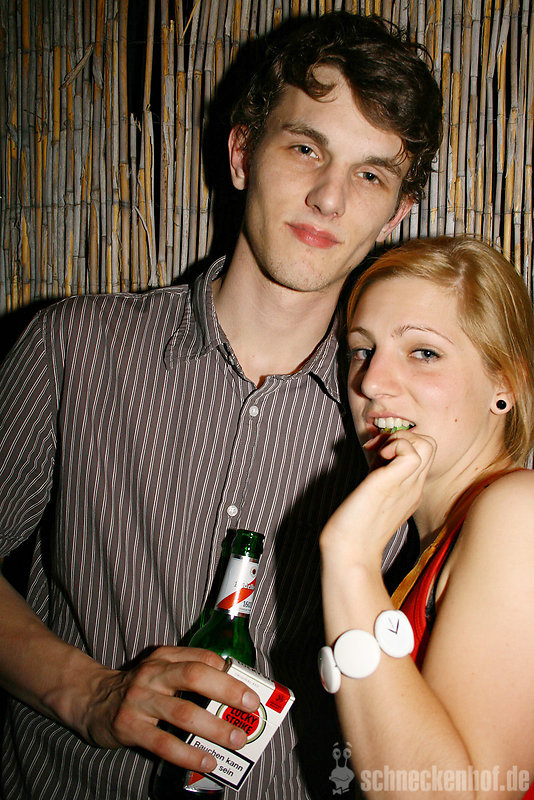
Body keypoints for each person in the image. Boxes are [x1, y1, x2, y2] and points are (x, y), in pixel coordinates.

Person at [0, 12, 442, 800]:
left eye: (371, 175)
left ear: (396, 215)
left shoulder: (407, 427)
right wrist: (91, 694)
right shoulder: (73, 348)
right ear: (241, 154)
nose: (329, 198)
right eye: (305, 148)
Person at [319, 235, 534, 797]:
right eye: (361, 350)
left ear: (505, 384)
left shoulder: (518, 513)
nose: (370, 383)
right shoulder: (438, 547)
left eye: (424, 352)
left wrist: (349, 557)